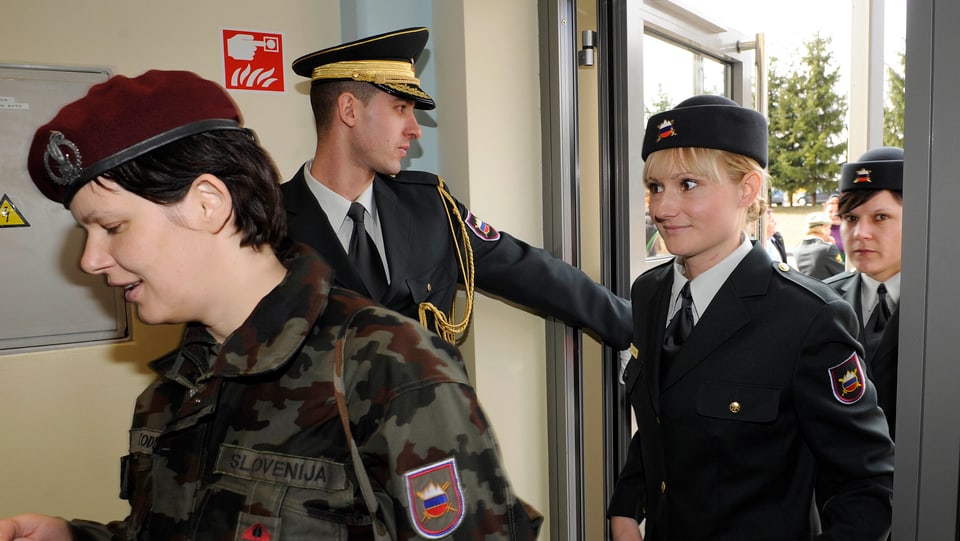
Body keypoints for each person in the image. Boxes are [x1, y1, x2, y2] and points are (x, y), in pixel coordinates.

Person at [3, 70, 541, 541]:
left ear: (207, 204)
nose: (90, 260)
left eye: (112, 226)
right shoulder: (176, 389)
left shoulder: (388, 370)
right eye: (86, 232)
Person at [606, 95, 894, 541]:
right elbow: (661, 422)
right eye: (655, 187)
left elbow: (867, 484)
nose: (661, 208)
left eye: (687, 184)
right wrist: (627, 505)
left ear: (748, 189)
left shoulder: (808, 318)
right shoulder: (651, 292)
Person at [283, 27, 632, 347]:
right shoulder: (267, 222)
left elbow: (529, 270)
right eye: (400, 108)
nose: (415, 129)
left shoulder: (431, 208)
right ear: (348, 110)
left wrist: (636, 323)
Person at [824, 146, 903, 438]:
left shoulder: (942, 304)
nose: (860, 234)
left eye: (880, 217)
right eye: (851, 218)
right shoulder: (820, 302)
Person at [794, 211, 845, 279]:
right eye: (829, 228)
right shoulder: (828, 249)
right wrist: (832, 246)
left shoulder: (797, 249)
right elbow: (842, 274)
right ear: (824, 227)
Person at [824, 193, 845, 260]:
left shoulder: (851, 229)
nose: (834, 214)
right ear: (825, 212)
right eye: (830, 211)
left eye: (837, 211)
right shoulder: (819, 231)